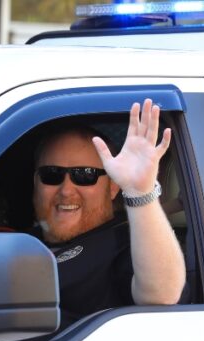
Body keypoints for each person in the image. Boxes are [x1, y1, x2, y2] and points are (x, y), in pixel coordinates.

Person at [32, 99, 187, 322]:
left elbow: (161, 296)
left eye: (85, 175)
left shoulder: (124, 245)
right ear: (36, 182)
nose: (66, 190)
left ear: (113, 186)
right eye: (52, 174)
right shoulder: (23, 240)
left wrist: (139, 191)